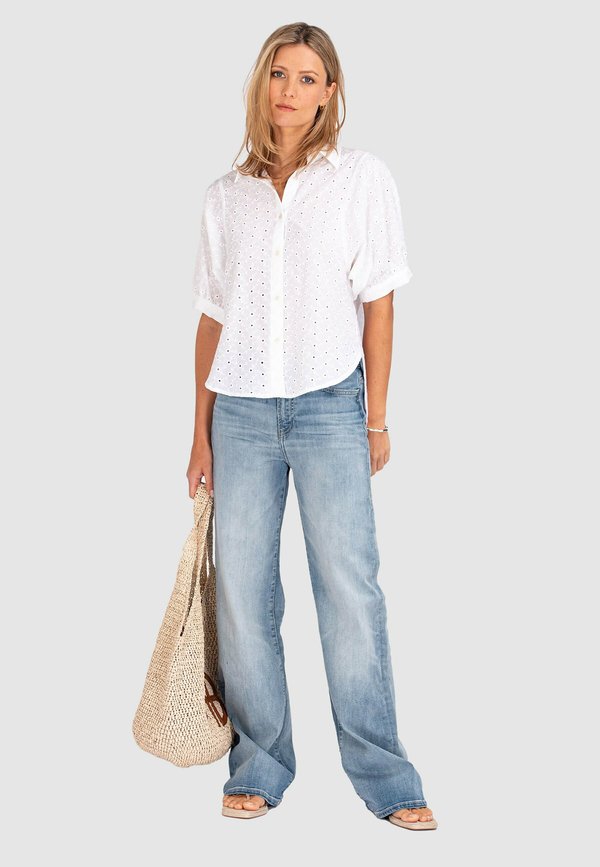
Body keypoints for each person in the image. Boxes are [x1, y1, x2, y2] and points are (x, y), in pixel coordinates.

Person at [187, 22, 437, 831]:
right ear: (261, 84)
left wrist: (377, 416)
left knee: (350, 590)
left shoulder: (360, 179)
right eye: (278, 74)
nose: (290, 90)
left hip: (332, 405)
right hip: (241, 414)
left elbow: (380, 303)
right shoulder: (227, 196)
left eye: (307, 77)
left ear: (331, 92)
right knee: (243, 596)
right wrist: (199, 432)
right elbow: (213, 317)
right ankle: (260, 764)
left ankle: (388, 777)